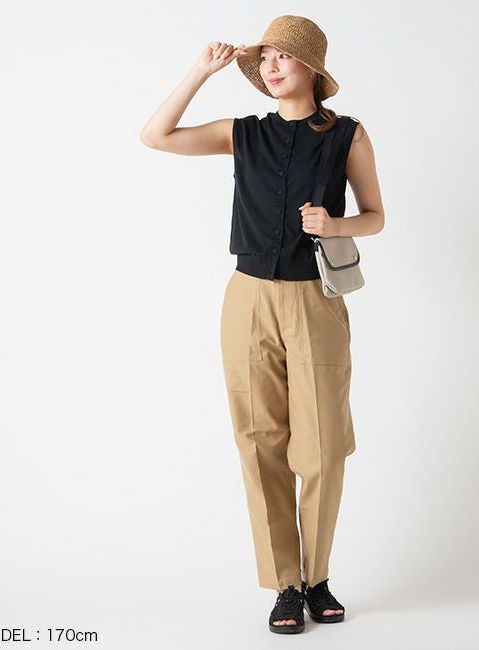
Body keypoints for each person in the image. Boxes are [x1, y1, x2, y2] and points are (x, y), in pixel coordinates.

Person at [140, 15, 384, 635]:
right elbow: (155, 135)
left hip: (314, 301)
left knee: (323, 446)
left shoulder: (348, 134)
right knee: (259, 440)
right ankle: (285, 586)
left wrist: (336, 225)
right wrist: (201, 71)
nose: (271, 67)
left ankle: (317, 577)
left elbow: (376, 216)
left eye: (283, 57)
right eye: (265, 58)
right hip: (246, 299)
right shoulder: (243, 133)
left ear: (312, 68)